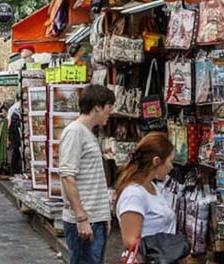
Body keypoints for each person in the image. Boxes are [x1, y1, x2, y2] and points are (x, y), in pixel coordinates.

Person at [59, 85, 116, 264]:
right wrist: (81, 217)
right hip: (86, 220)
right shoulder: (75, 132)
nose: (111, 111)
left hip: (94, 217)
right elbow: (68, 176)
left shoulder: (87, 133)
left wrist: (104, 216)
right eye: (109, 106)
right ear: (97, 107)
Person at [115, 133, 184, 263]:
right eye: (170, 161)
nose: (171, 167)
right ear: (156, 161)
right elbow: (131, 242)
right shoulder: (134, 195)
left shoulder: (151, 186)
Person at [6, 96, 22, 175]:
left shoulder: (12, 108)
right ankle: (16, 170)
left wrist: (8, 134)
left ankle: (14, 170)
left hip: (13, 133)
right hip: (16, 133)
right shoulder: (18, 107)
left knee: (15, 151)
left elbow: (8, 123)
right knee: (16, 151)